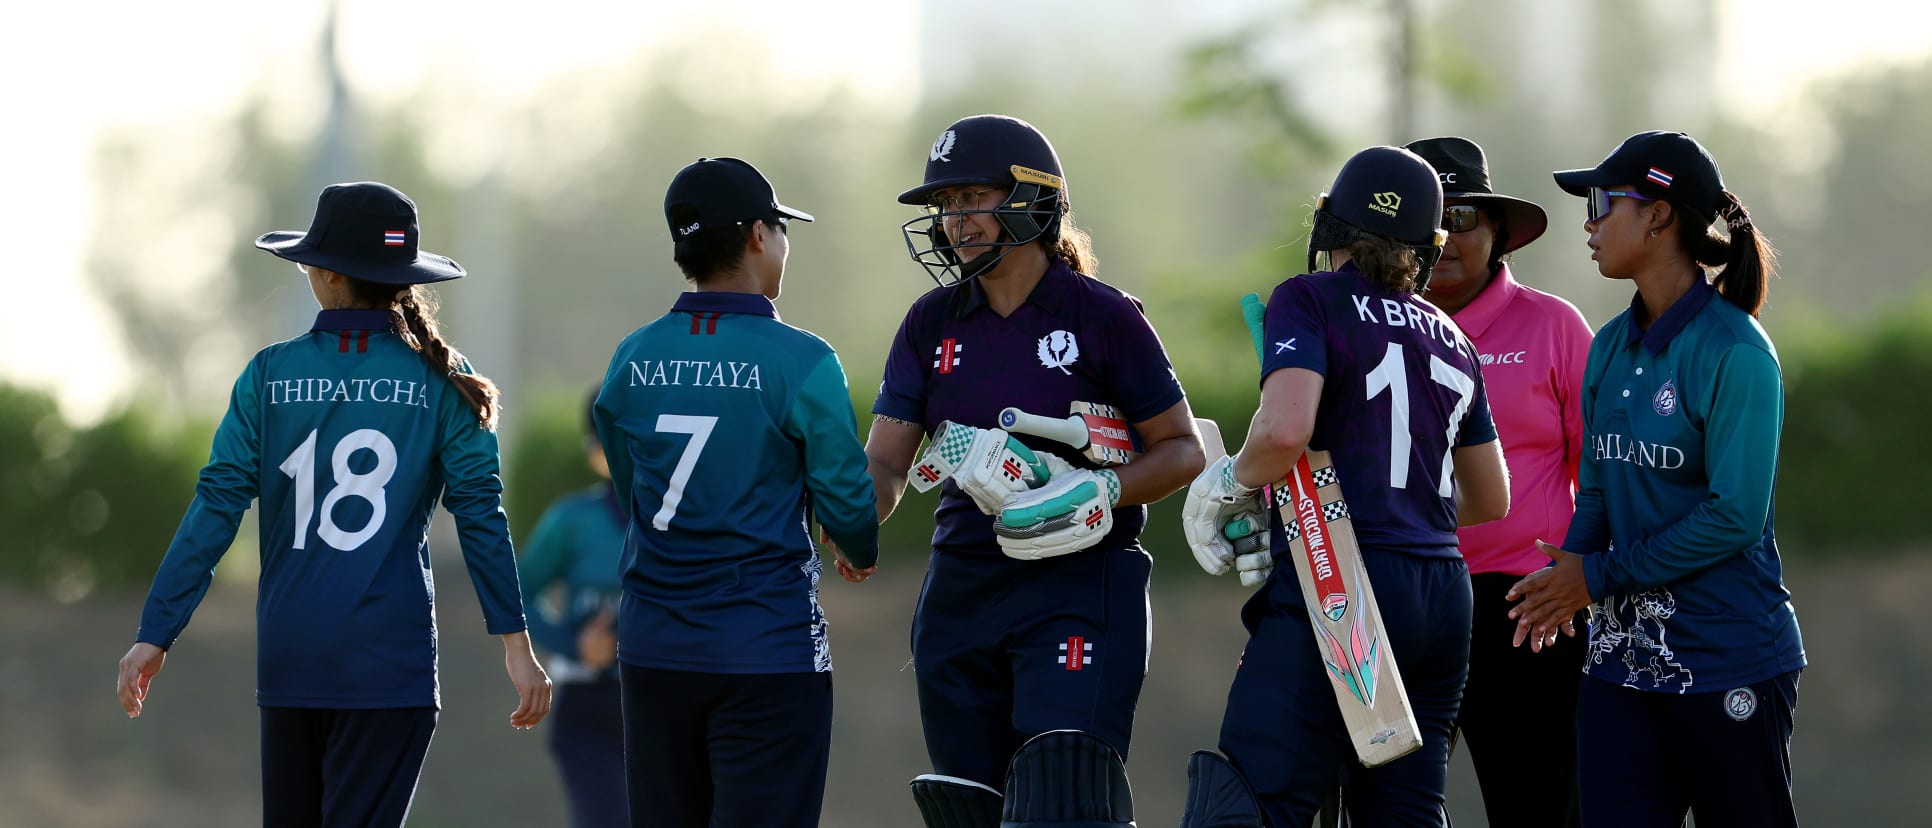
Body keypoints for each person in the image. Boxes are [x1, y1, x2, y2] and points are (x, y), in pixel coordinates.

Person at [114, 181, 553, 827]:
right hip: (388, 666)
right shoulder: (443, 375)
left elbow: (216, 507)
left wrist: (157, 632)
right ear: (400, 278)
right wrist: (515, 644)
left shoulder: (268, 373)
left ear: (323, 275)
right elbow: (481, 515)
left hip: (292, 660)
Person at [861, 113, 1205, 828]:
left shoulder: (1105, 316)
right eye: (947, 207)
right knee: (968, 813)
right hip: (962, 592)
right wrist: (850, 519)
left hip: (1079, 584)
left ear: (1031, 199)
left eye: (972, 199)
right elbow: (887, 464)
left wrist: (1105, 488)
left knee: (1065, 802)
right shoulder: (930, 323)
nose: (956, 221)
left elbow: (1181, 448)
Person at [1178, 145, 1511, 827]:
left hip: (1344, 580)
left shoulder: (1309, 298)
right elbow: (1491, 498)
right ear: (1426, 246)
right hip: (1442, 595)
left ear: (1330, 225)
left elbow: (1284, 431)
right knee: (1404, 813)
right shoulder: (1454, 336)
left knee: (1251, 801)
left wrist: (1228, 481)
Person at [1507, 130, 1805, 827]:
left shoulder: (1738, 353)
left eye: (1603, 201)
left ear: (1659, 214)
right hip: (1617, 671)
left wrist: (1598, 577)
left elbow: (1734, 517)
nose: (1588, 220)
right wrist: (1568, 578)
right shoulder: (1610, 345)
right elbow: (1602, 487)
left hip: (1732, 661)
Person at [592, 156, 879, 828]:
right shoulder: (803, 359)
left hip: (654, 648)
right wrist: (856, 546)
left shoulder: (633, 356)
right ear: (757, 235)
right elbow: (847, 502)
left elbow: (634, 489)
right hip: (766, 648)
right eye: (781, 228)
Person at [1404, 136, 1593, 828]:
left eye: (1464, 218)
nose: (1447, 238)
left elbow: (1598, 473)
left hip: (1527, 608)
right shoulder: (1365, 329)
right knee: (1388, 807)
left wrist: (1582, 573)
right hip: (1402, 599)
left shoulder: (1553, 326)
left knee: (1540, 808)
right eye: (1431, 219)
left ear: (1497, 233)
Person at [518, 390, 629, 828]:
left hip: (667, 705)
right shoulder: (572, 521)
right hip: (590, 707)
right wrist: (574, 643)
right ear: (596, 455)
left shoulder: (684, 524)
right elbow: (517, 594)